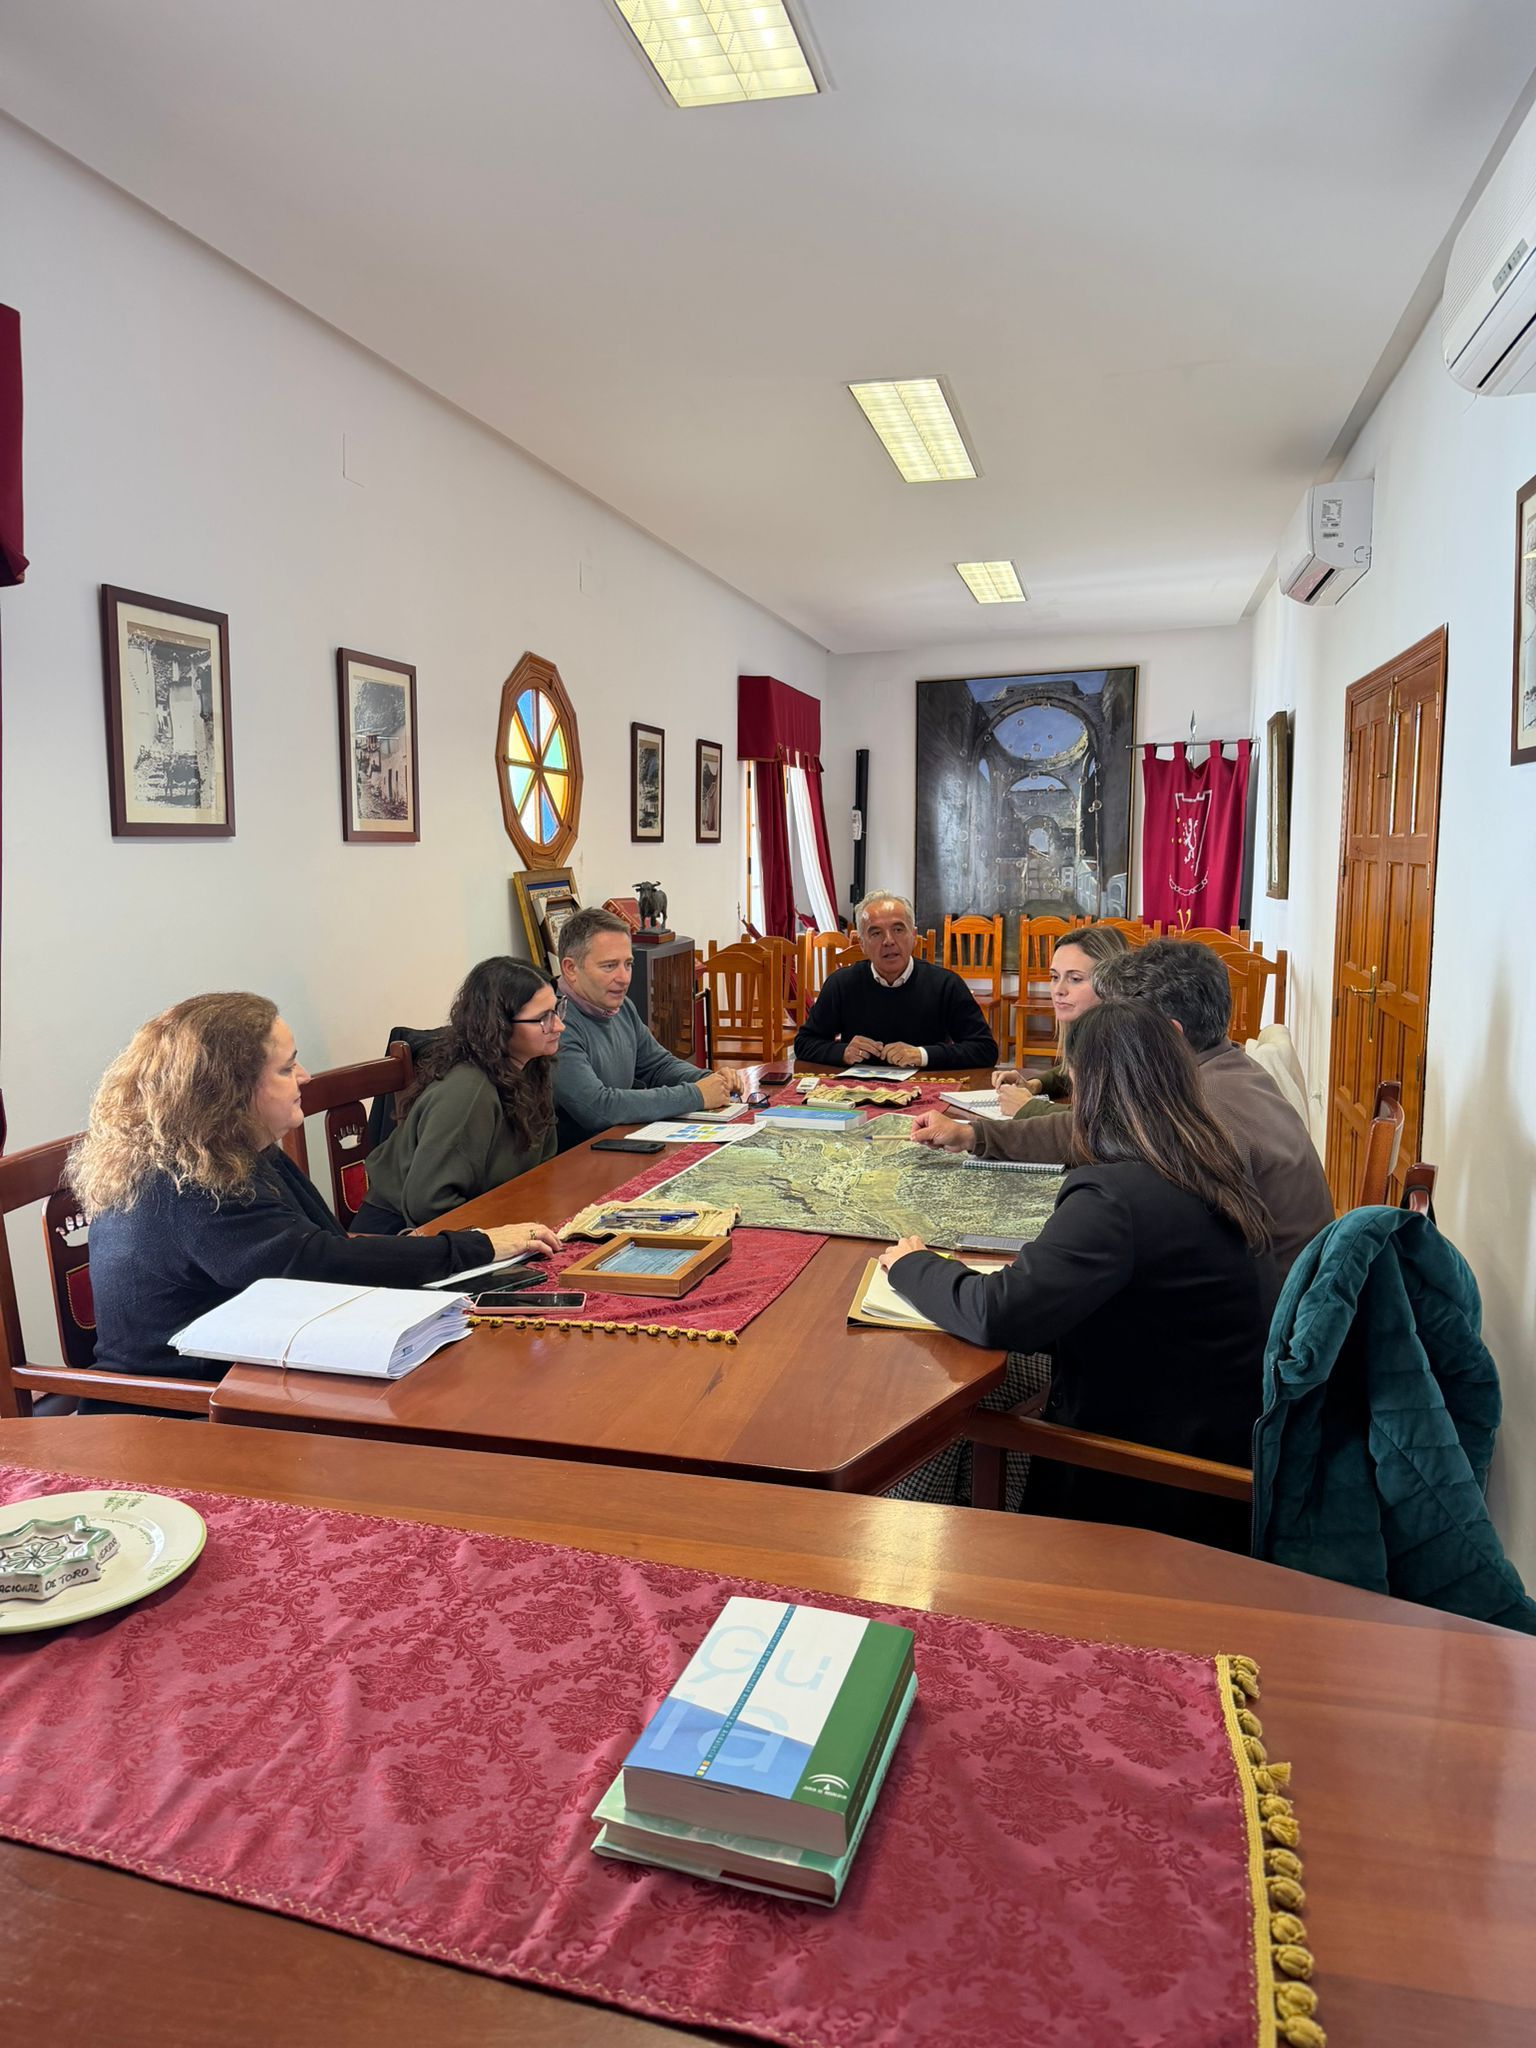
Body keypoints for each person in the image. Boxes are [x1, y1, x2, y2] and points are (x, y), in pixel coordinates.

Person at [882, 1000, 1278, 1547]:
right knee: (991, 1377)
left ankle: (925, 1558)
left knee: (941, 1407)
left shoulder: (1115, 1196)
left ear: (1092, 1088)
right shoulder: (1206, 1153)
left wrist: (911, 1266)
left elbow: (998, 1314)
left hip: (1154, 1483)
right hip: (1217, 1435)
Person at [71, 993, 559, 1392]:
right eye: (286, 1069)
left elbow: (320, 1250)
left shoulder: (232, 1147)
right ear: (229, 1092)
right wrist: (477, 1247)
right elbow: (315, 1264)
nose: (304, 1077)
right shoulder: (192, 1183)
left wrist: (461, 1255)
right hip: (181, 1407)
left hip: (259, 1365)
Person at [913, 937, 1333, 1276]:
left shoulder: (1196, 1114)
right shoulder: (1227, 1068)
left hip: (1257, 1347)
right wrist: (973, 1135)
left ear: (1166, 1034)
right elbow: (1089, 1128)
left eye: (1122, 1023)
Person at [352, 957, 564, 1234]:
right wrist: (501, 1236)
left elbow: (539, 1170)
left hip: (482, 1217)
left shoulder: (532, 1067)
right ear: (499, 1026)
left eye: (557, 1010)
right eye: (543, 1019)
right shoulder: (468, 1092)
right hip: (402, 1238)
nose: (558, 1025)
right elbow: (427, 1204)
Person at [553, 908, 741, 1147]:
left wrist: (711, 1080)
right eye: (609, 966)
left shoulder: (621, 1007)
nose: (624, 978)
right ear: (570, 969)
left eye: (628, 964)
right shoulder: (556, 1023)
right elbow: (598, 1107)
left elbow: (658, 1066)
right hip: (577, 1164)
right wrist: (697, 1094)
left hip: (618, 1146)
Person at [793, 891, 997, 1069]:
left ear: (914, 936)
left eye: (898, 930)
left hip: (927, 1090)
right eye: (875, 933)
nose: (889, 941)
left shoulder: (945, 984)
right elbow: (804, 1043)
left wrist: (922, 1055)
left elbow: (985, 1050)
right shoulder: (842, 984)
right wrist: (842, 1052)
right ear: (862, 944)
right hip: (857, 1093)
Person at [990, 922, 1129, 1112]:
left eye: (1075, 979)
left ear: (1109, 982)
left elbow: (1102, 1126)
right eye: (1055, 977)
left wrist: (1028, 1108)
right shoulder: (1092, 1029)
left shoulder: (1128, 1039)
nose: (1059, 990)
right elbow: (1077, 1071)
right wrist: (1034, 1085)